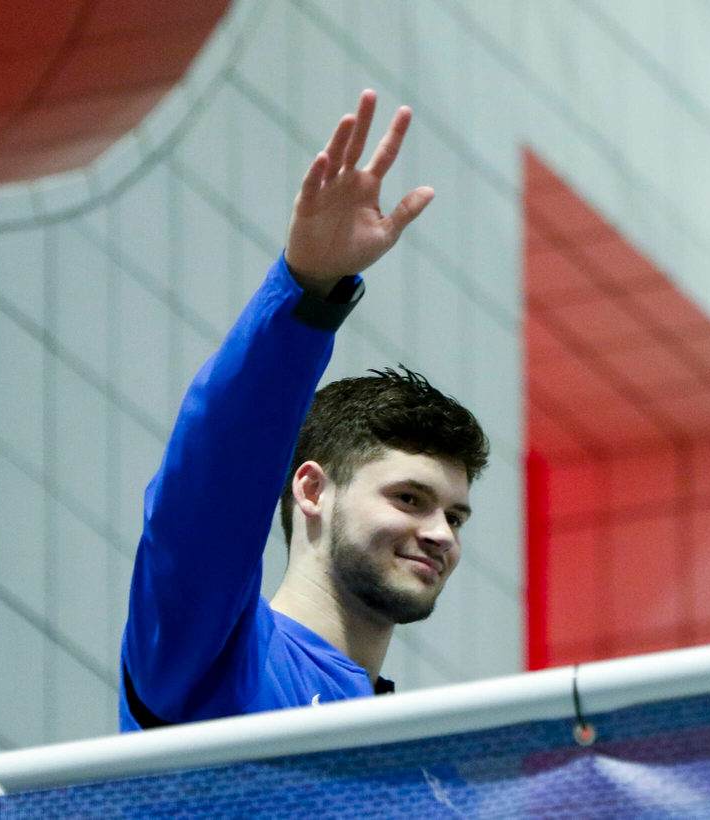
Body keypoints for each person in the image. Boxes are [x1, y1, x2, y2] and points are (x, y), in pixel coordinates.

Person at [119, 90, 489, 731]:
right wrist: (307, 291)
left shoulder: (427, 768)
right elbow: (210, 487)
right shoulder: (214, 663)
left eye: (454, 515)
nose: (442, 535)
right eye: (409, 498)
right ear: (313, 489)